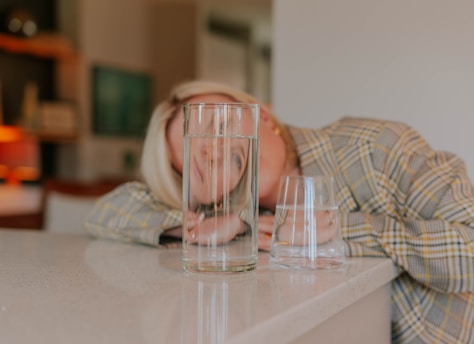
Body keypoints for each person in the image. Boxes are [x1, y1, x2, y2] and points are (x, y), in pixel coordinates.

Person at [85, 80, 474, 343]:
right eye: (195, 159)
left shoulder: (376, 147)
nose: (210, 148)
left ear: (263, 117)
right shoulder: (236, 219)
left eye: (218, 124)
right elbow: (109, 210)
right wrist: (192, 227)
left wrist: (335, 231)